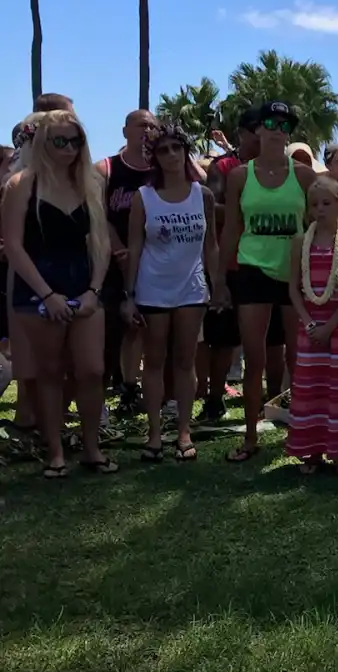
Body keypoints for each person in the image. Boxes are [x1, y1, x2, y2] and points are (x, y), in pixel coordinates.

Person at [1, 111, 114, 478]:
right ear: (43, 143)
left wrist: (94, 291)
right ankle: (55, 453)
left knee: (91, 370)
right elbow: (14, 248)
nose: (68, 148)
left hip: (84, 287)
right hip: (37, 289)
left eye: (75, 141)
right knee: (49, 372)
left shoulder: (91, 182)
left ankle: (92, 448)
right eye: (60, 141)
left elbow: (102, 244)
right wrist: (47, 295)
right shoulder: (21, 185)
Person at [214, 100, 314, 462]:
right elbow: (231, 232)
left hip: (293, 272)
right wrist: (221, 280)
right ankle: (251, 436)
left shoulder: (303, 175)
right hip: (252, 269)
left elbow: (323, 221)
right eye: (270, 122)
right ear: (257, 129)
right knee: (253, 358)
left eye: (284, 124)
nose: (277, 129)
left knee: (297, 356)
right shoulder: (240, 175)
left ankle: (303, 433)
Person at [123, 124, 217, 462]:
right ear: (155, 157)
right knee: (154, 360)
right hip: (152, 288)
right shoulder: (143, 197)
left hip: (192, 288)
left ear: (185, 151)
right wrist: (129, 294)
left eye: (177, 148)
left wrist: (217, 286)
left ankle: (183, 430)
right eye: (164, 150)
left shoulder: (201, 195)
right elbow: (134, 247)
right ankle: (153, 433)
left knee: (185, 361)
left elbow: (212, 246)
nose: (172, 155)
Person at [286, 175, 338, 475]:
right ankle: (312, 451)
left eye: (327, 203)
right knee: (310, 387)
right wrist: (308, 322)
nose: (320, 209)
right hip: (309, 326)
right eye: (314, 204)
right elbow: (294, 288)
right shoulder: (299, 243)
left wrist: (330, 325)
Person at [200, 109, 260, 422]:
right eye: (256, 130)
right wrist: (250, 209)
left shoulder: (282, 171)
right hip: (231, 262)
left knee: (265, 339)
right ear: (242, 133)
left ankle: (269, 399)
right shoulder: (223, 166)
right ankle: (213, 398)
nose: (262, 136)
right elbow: (213, 208)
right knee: (222, 338)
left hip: (267, 265)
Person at [98, 108, 160, 410]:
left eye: (152, 126)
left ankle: (131, 388)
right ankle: (106, 392)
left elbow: (195, 184)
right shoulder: (106, 168)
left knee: (143, 327)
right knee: (111, 329)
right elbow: (98, 215)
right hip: (112, 261)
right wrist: (118, 248)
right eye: (140, 125)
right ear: (125, 131)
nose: (146, 131)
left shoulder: (164, 168)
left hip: (154, 261)